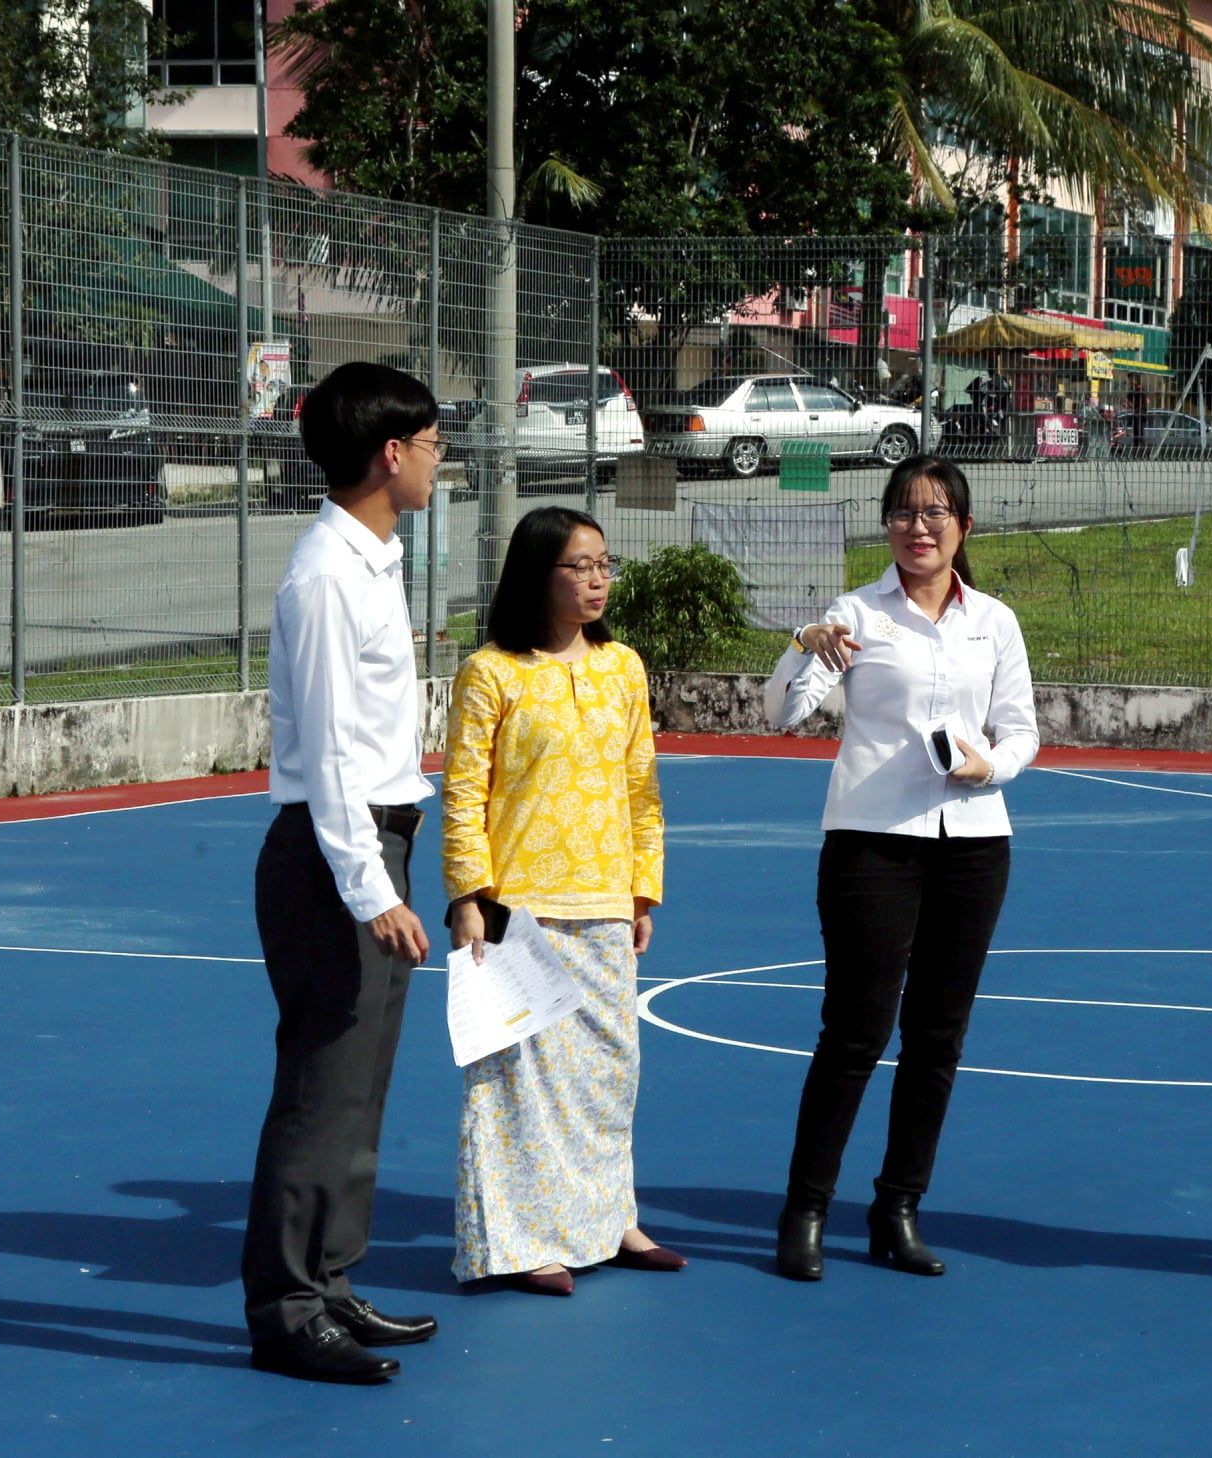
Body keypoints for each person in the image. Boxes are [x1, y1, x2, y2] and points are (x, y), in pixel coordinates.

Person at [762, 454, 1039, 1281]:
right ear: (886, 525)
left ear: (963, 527)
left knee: (938, 1037)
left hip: (974, 844)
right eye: (903, 512)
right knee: (855, 1030)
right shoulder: (856, 612)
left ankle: (898, 1208)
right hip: (872, 842)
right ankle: (805, 1209)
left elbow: (1022, 728)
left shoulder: (995, 620)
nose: (918, 527)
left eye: (935, 513)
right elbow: (782, 713)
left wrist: (992, 766)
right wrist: (801, 647)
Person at [243, 361, 445, 1384]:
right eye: (431, 441)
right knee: (322, 1087)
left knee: (359, 1087)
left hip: (375, 838)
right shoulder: (324, 574)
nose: (439, 458)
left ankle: (328, 1282)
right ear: (389, 454)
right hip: (336, 854)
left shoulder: (373, 560)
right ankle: (284, 1311)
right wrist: (374, 893)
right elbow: (323, 757)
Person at [442, 506, 674, 1295]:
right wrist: (468, 895)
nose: (598, 578)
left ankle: (613, 1219)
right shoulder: (492, 672)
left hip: (606, 896)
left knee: (612, 1069)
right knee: (518, 1083)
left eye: (604, 563)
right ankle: (522, 1239)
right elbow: (464, 792)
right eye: (579, 565)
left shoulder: (624, 668)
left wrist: (644, 889)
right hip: (519, 905)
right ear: (538, 574)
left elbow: (641, 787)